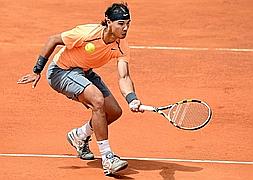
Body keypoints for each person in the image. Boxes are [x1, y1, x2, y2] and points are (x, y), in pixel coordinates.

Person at [17, 2, 143, 176]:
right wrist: (36, 71)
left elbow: (124, 77)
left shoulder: (122, 45)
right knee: (98, 100)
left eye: (128, 23)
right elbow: (53, 39)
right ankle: (108, 158)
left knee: (114, 112)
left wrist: (132, 98)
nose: (126, 28)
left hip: (84, 71)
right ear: (108, 21)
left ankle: (79, 135)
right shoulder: (87, 33)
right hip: (61, 71)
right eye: (121, 23)